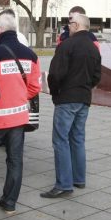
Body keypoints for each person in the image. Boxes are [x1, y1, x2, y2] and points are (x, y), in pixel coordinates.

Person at [0, 12, 41, 214]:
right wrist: (19, 97)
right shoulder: (31, 55)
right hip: (18, 117)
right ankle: (9, 203)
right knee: (15, 160)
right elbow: (34, 87)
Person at [42, 13, 101, 199]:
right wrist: (85, 88)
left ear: (75, 25)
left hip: (67, 98)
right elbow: (97, 76)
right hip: (84, 98)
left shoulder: (66, 45)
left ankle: (64, 184)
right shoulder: (93, 48)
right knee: (77, 138)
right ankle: (78, 178)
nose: (68, 26)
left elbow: (55, 74)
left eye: (69, 23)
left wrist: (55, 92)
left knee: (60, 140)